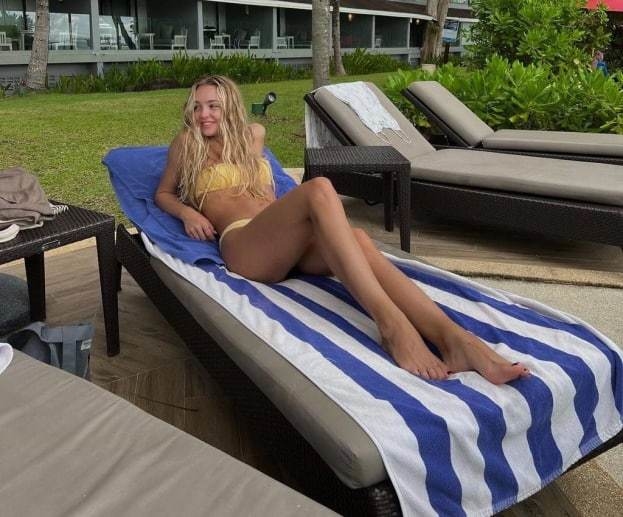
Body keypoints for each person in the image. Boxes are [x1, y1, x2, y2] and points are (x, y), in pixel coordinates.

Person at [156, 75, 530, 384]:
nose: (203, 114)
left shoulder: (253, 134)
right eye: (197, 106)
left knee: (359, 239)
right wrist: (188, 213)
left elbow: (263, 189)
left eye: (213, 106)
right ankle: (391, 325)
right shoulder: (187, 143)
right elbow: (163, 194)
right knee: (319, 188)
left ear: (230, 106)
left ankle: (455, 339)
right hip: (245, 244)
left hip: (286, 240)